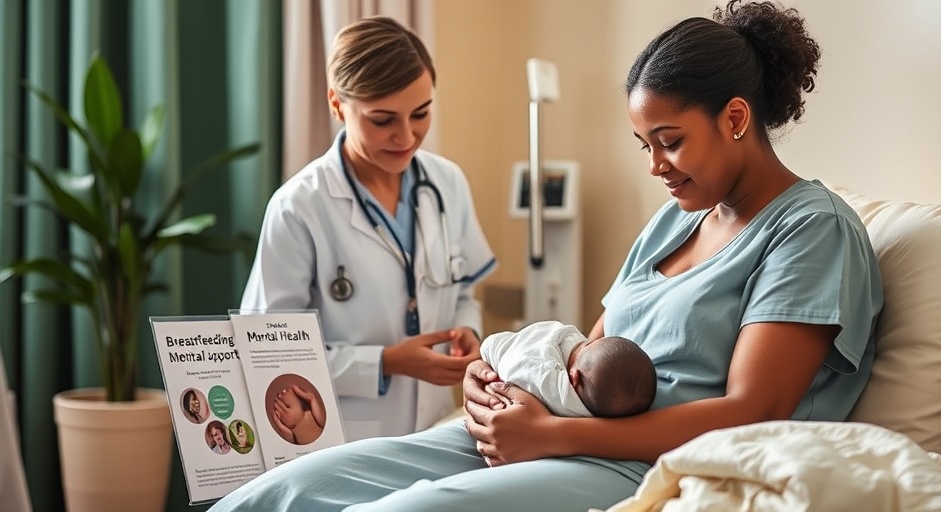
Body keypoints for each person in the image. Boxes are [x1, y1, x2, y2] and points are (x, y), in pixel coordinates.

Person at [210, 2, 883, 510]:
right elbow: (587, 353)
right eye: (644, 144)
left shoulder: (810, 231)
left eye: (669, 141)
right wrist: (494, 383)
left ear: (735, 119)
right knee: (288, 489)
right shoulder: (674, 222)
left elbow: (751, 412)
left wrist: (553, 437)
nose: (655, 166)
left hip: (636, 462)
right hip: (553, 428)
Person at [239, 16, 496, 442]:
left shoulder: (447, 183)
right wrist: (385, 363)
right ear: (337, 104)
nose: (406, 136)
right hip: (341, 440)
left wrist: (467, 331)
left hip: (436, 430)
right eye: (382, 120)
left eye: (421, 113)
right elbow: (269, 354)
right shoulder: (298, 207)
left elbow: (464, 293)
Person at [480, 320, 656, 418]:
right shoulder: (591, 412)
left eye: (586, 344)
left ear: (574, 377)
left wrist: (490, 353)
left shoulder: (547, 378)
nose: (581, 342)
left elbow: (514, 363)